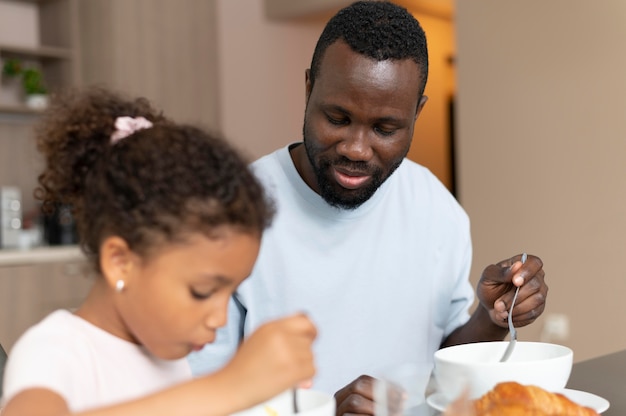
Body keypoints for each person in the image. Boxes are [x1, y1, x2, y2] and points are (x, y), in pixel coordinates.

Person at [189, 1, 548, 415]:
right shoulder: (228, 213)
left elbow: (441, 369)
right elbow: (199, 397)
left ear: (417, 112)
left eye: (384, 128)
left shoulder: (436, 208)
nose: (357, 149)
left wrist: (490, 317)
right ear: (309, 89)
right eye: (338, 118)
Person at [0, 87, 317, 416]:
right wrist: (231, 386)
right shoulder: (57, 351)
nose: (220, 319)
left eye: (230, 293)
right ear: (120, 262)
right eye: (202, 291)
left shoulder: (168, 356)